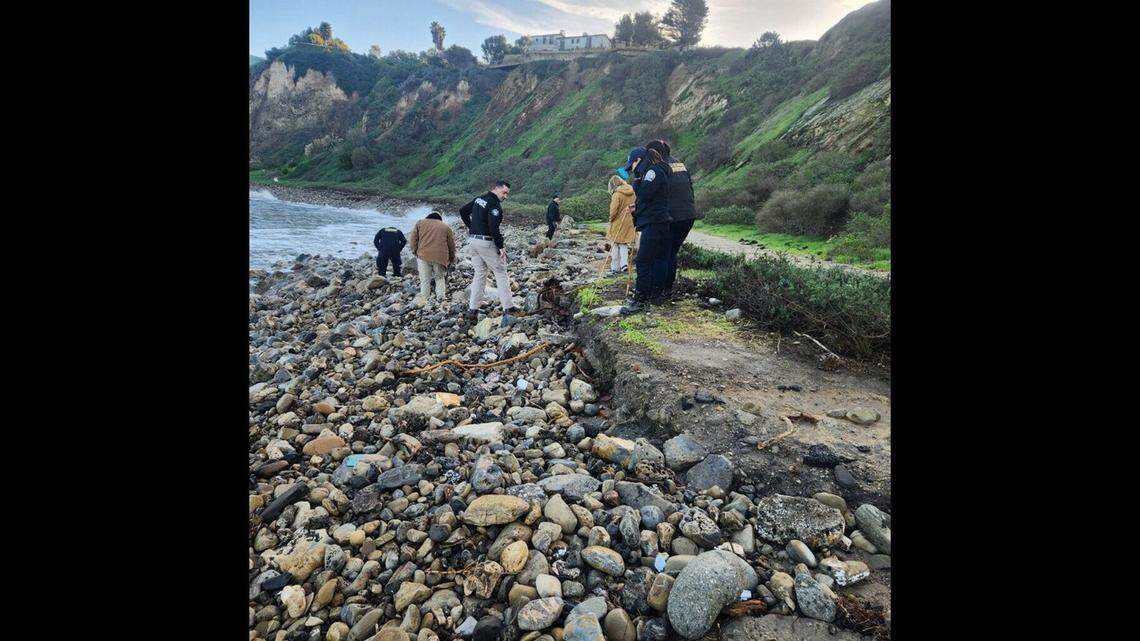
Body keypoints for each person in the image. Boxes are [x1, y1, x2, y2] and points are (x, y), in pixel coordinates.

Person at [646, 139, 700, 300]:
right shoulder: (680, 165)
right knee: (671, 253)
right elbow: (689, 187)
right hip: (688, 215)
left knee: (661, 254)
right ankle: (667, 289)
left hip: (670, 217)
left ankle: (657, 293)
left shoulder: (657, 168)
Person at [621, 145, 672, 314]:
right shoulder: (652, 171)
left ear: (638, 160)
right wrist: (637, 209)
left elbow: (645, 194)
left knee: (643, 261)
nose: (632, 170)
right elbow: (650, 199)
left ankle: (641, 300)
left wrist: (636, 183)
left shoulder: (652, 172)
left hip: (655, 223)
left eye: (632, 166)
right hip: (658, 221)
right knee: (654, 260)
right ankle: (651, 296)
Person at [459, 179, 518, 320]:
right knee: (500, 271)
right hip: (485, 242)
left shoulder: (479, 199)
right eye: (504, 192)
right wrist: (501, 246)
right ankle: (509, 307)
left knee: (480, 273)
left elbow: (463, 211)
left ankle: (473, 309)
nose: (505, 196)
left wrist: (471, 227)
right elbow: (493, 227)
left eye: (507, 194)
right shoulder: (494, 205)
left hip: (473, 241)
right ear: (496, 189)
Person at [409, 210, 457, 302]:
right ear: (440, 217)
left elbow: (413, 239)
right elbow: (451, 245)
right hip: (440, 258)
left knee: (425, 279)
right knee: (439, 278)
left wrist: (415, 251)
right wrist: (451, 258)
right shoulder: (445, 227)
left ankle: (424, 298)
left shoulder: (420, 223)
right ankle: (441, 298)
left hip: (423, 255)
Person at [606, 175, 637, 274]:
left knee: (615, 244)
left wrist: (611, 220)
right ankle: (624, 265)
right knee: (624, 243)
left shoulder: (617, 194)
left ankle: (614, 268)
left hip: (618, 222)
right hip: (629, 221)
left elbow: (613, 211)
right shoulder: (632, 191)